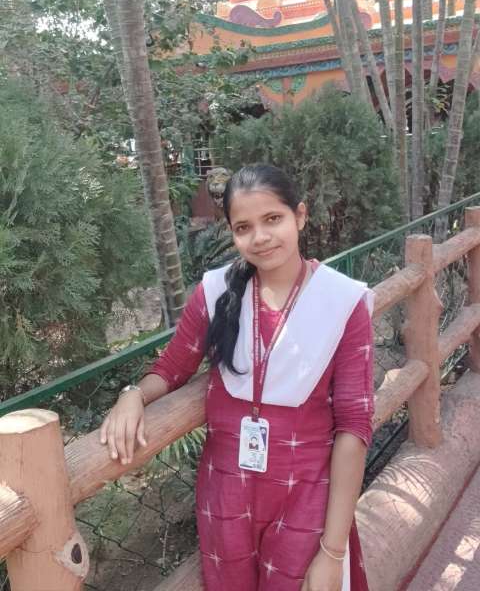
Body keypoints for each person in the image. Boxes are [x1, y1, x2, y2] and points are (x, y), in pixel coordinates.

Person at [100, 164, 375, 591]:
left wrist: (333, 550)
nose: (260, 237)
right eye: (243, 227)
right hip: (226, 495)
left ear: (300, 216)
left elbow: (354, 426)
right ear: (232, 233)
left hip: (306, 497)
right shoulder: (216, 292)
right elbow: (173, 367)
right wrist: (133, 394)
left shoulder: (342, 301)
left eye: (273, 219)